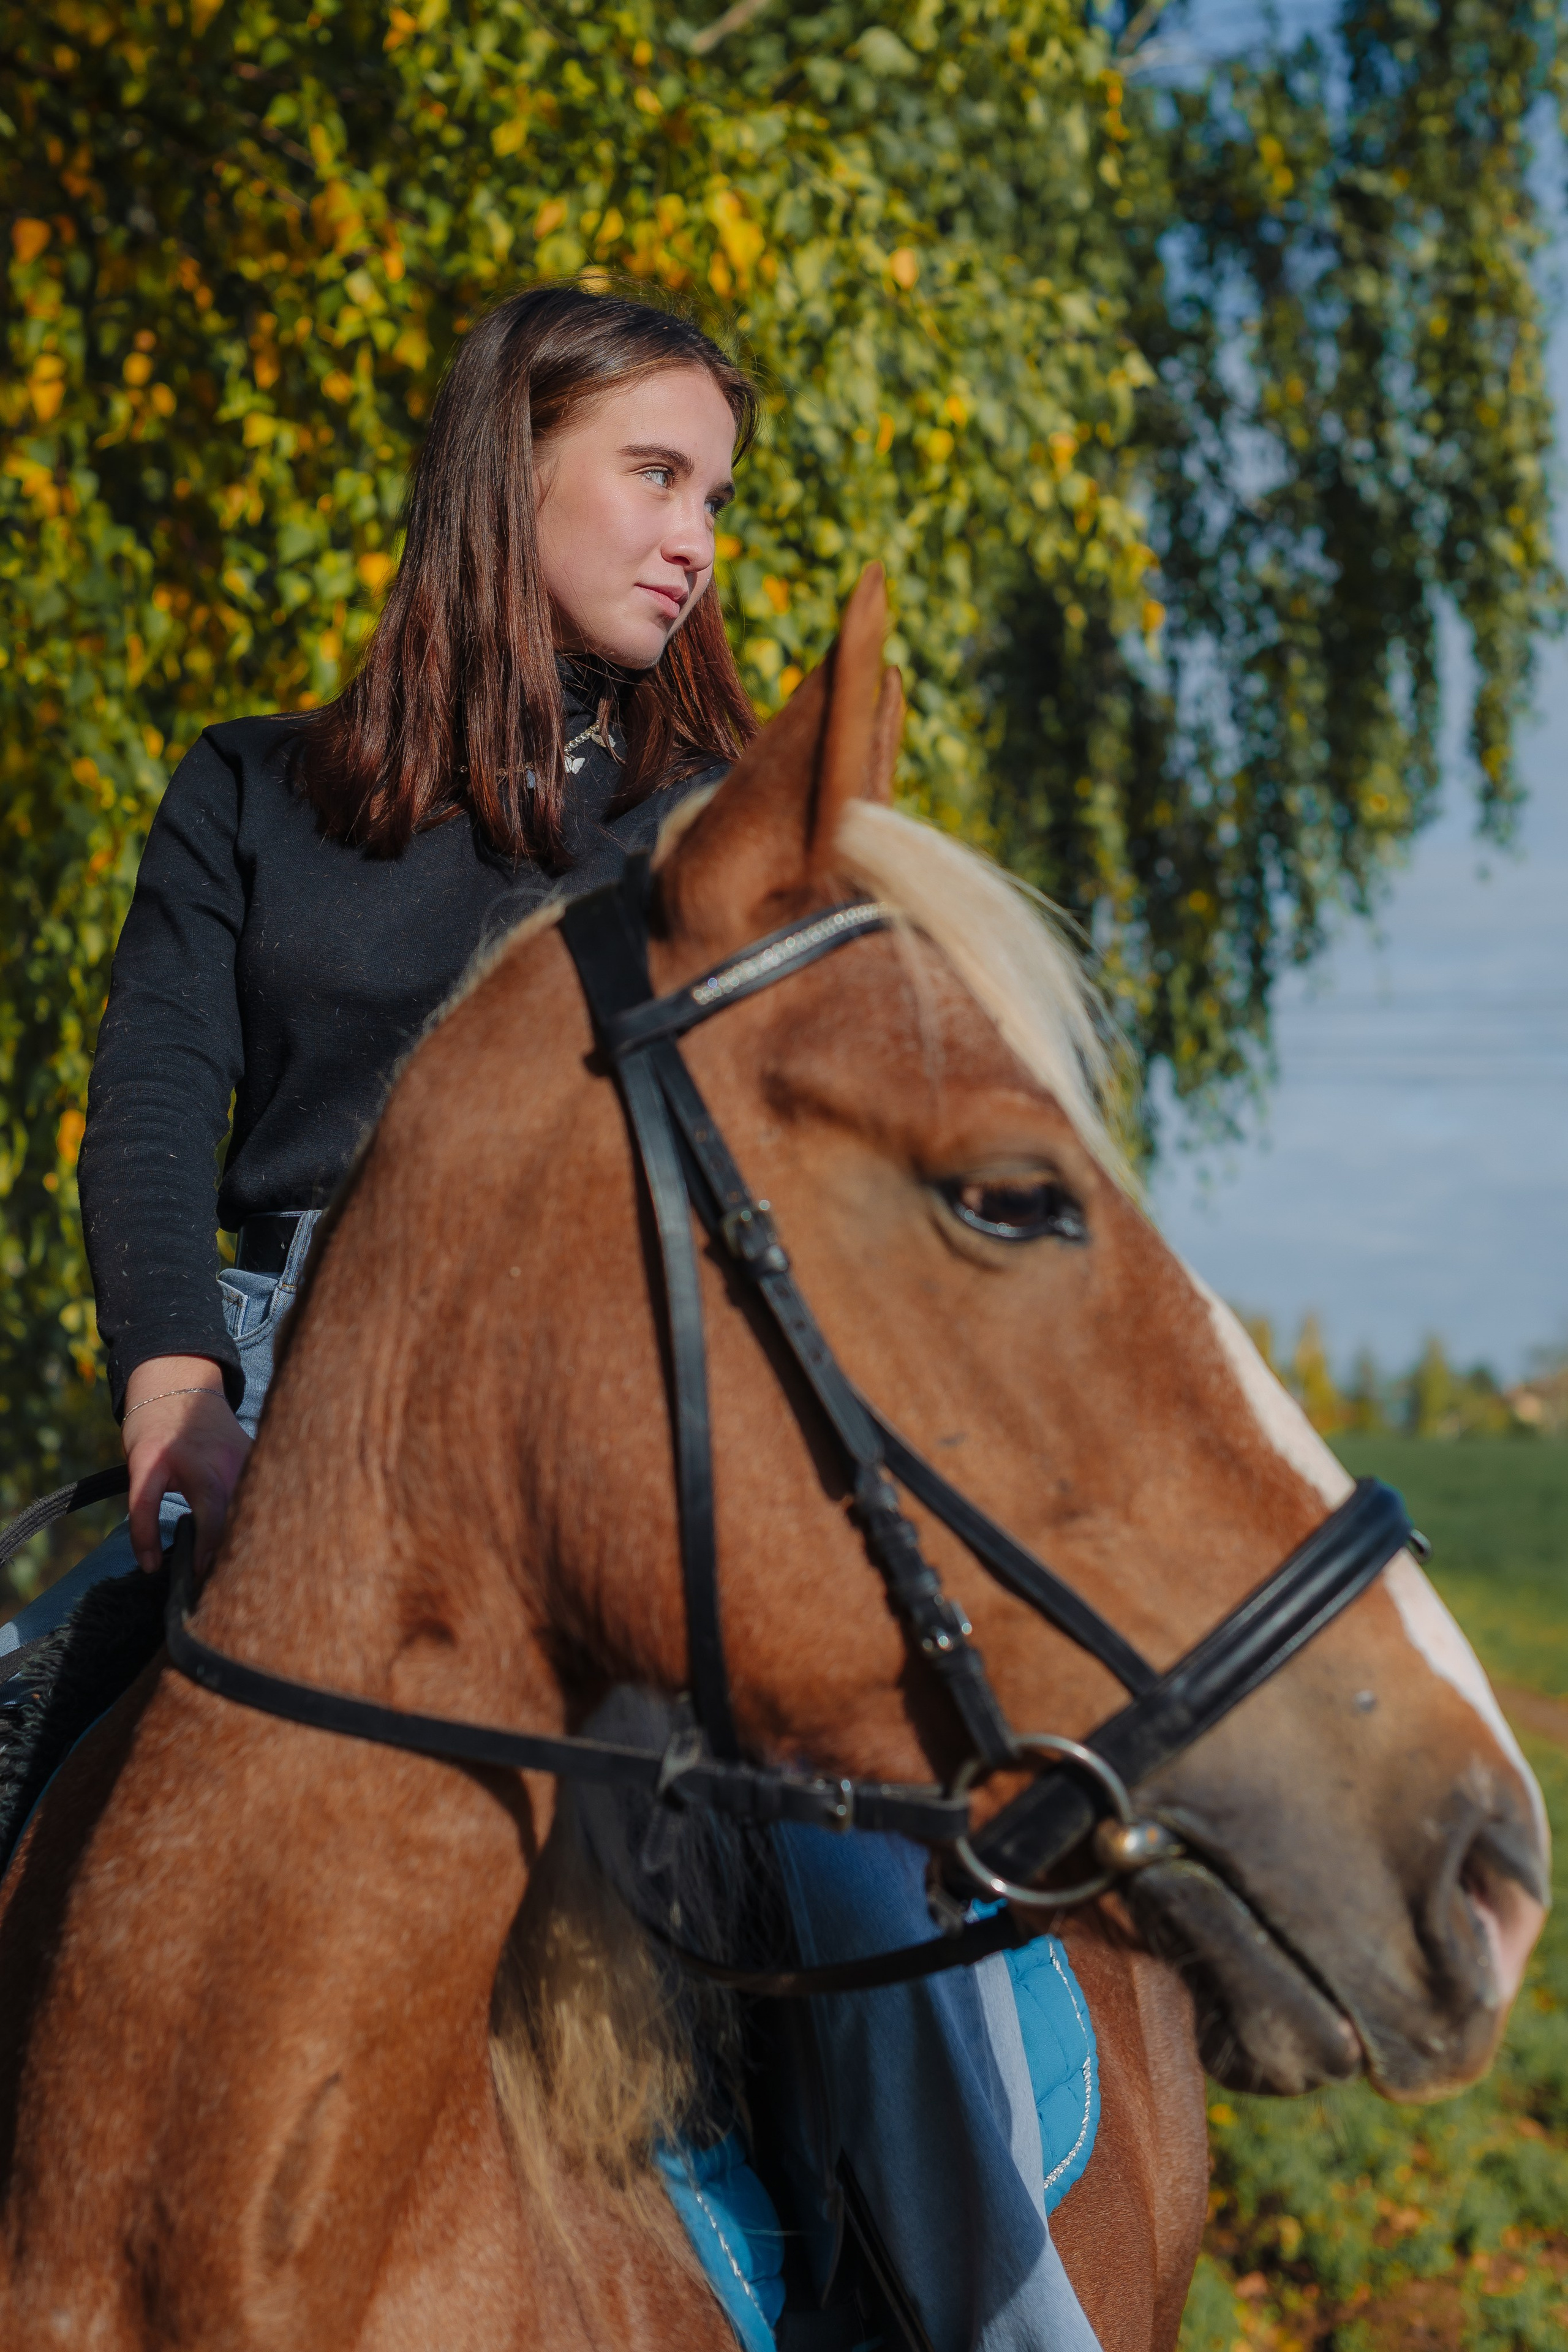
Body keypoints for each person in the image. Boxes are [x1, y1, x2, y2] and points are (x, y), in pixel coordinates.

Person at [6, 283, 1102, 2352]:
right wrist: (179, 1395)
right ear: (505, 475)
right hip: (264, 1408)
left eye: (719, 495)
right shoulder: (249, 793)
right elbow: (154, 1106)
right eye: (655, 474)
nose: (697, 537)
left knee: (833, 1853)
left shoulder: (705, 844)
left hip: (602, 1431)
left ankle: (1009, 2328)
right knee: (25, 1746)